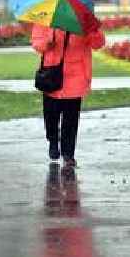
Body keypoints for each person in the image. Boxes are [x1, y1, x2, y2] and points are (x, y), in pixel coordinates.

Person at [31, 24, 105, 166]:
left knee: (71, 118)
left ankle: (68, 153)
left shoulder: (83, 20)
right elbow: (36, 44)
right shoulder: (46, 19)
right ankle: (53, 140)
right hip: (52, 76)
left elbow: (98, 44)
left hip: (76, 75)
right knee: (50, 116)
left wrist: (93, 29)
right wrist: (47, 43)